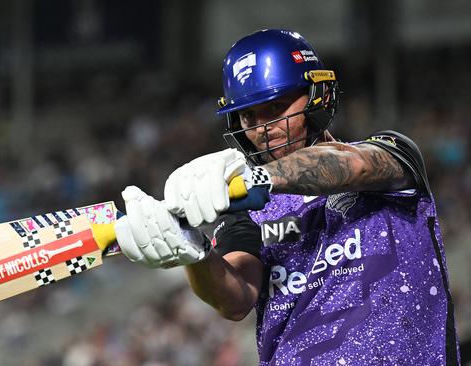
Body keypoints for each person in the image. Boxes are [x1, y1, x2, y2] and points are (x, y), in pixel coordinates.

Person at [114, 29, 461, 365]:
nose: (263, 129)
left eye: (276, 107)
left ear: (317, 97)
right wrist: (196, 254)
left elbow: (350, 164)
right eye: (249, 115)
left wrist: (259, 178)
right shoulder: (246, 214)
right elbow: (234, 301)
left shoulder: (391, 157)